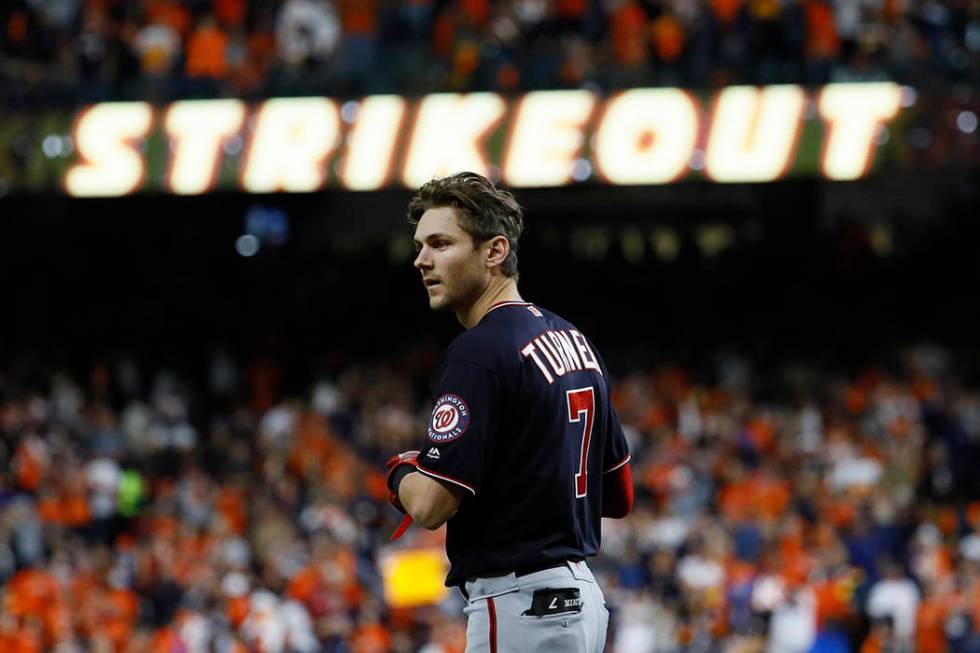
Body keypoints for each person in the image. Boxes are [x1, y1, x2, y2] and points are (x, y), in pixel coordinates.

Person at [384, 171, 634, 652]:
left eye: (440, 243)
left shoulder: (478, 353)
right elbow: (618, 495)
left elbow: (430, 504)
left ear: (495, 252)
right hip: (581, 599)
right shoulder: (574, 339)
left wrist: (399, 472)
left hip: (520, 601)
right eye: (420, 246)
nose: (422, 260)